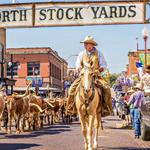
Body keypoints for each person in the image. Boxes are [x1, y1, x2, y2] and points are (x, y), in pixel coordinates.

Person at [66, 36, 112, 115]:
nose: (85, 45)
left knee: (107, 89)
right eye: (85, 43)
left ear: (92, 44)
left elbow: (103, 65)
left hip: (96, 76)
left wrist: (99, 70)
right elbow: (77, 64)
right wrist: (80, 68)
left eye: (87, 43)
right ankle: (70, 107)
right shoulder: (81, 54)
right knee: (71, 89)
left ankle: (106, 108)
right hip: (84, 77)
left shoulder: (99, 53)